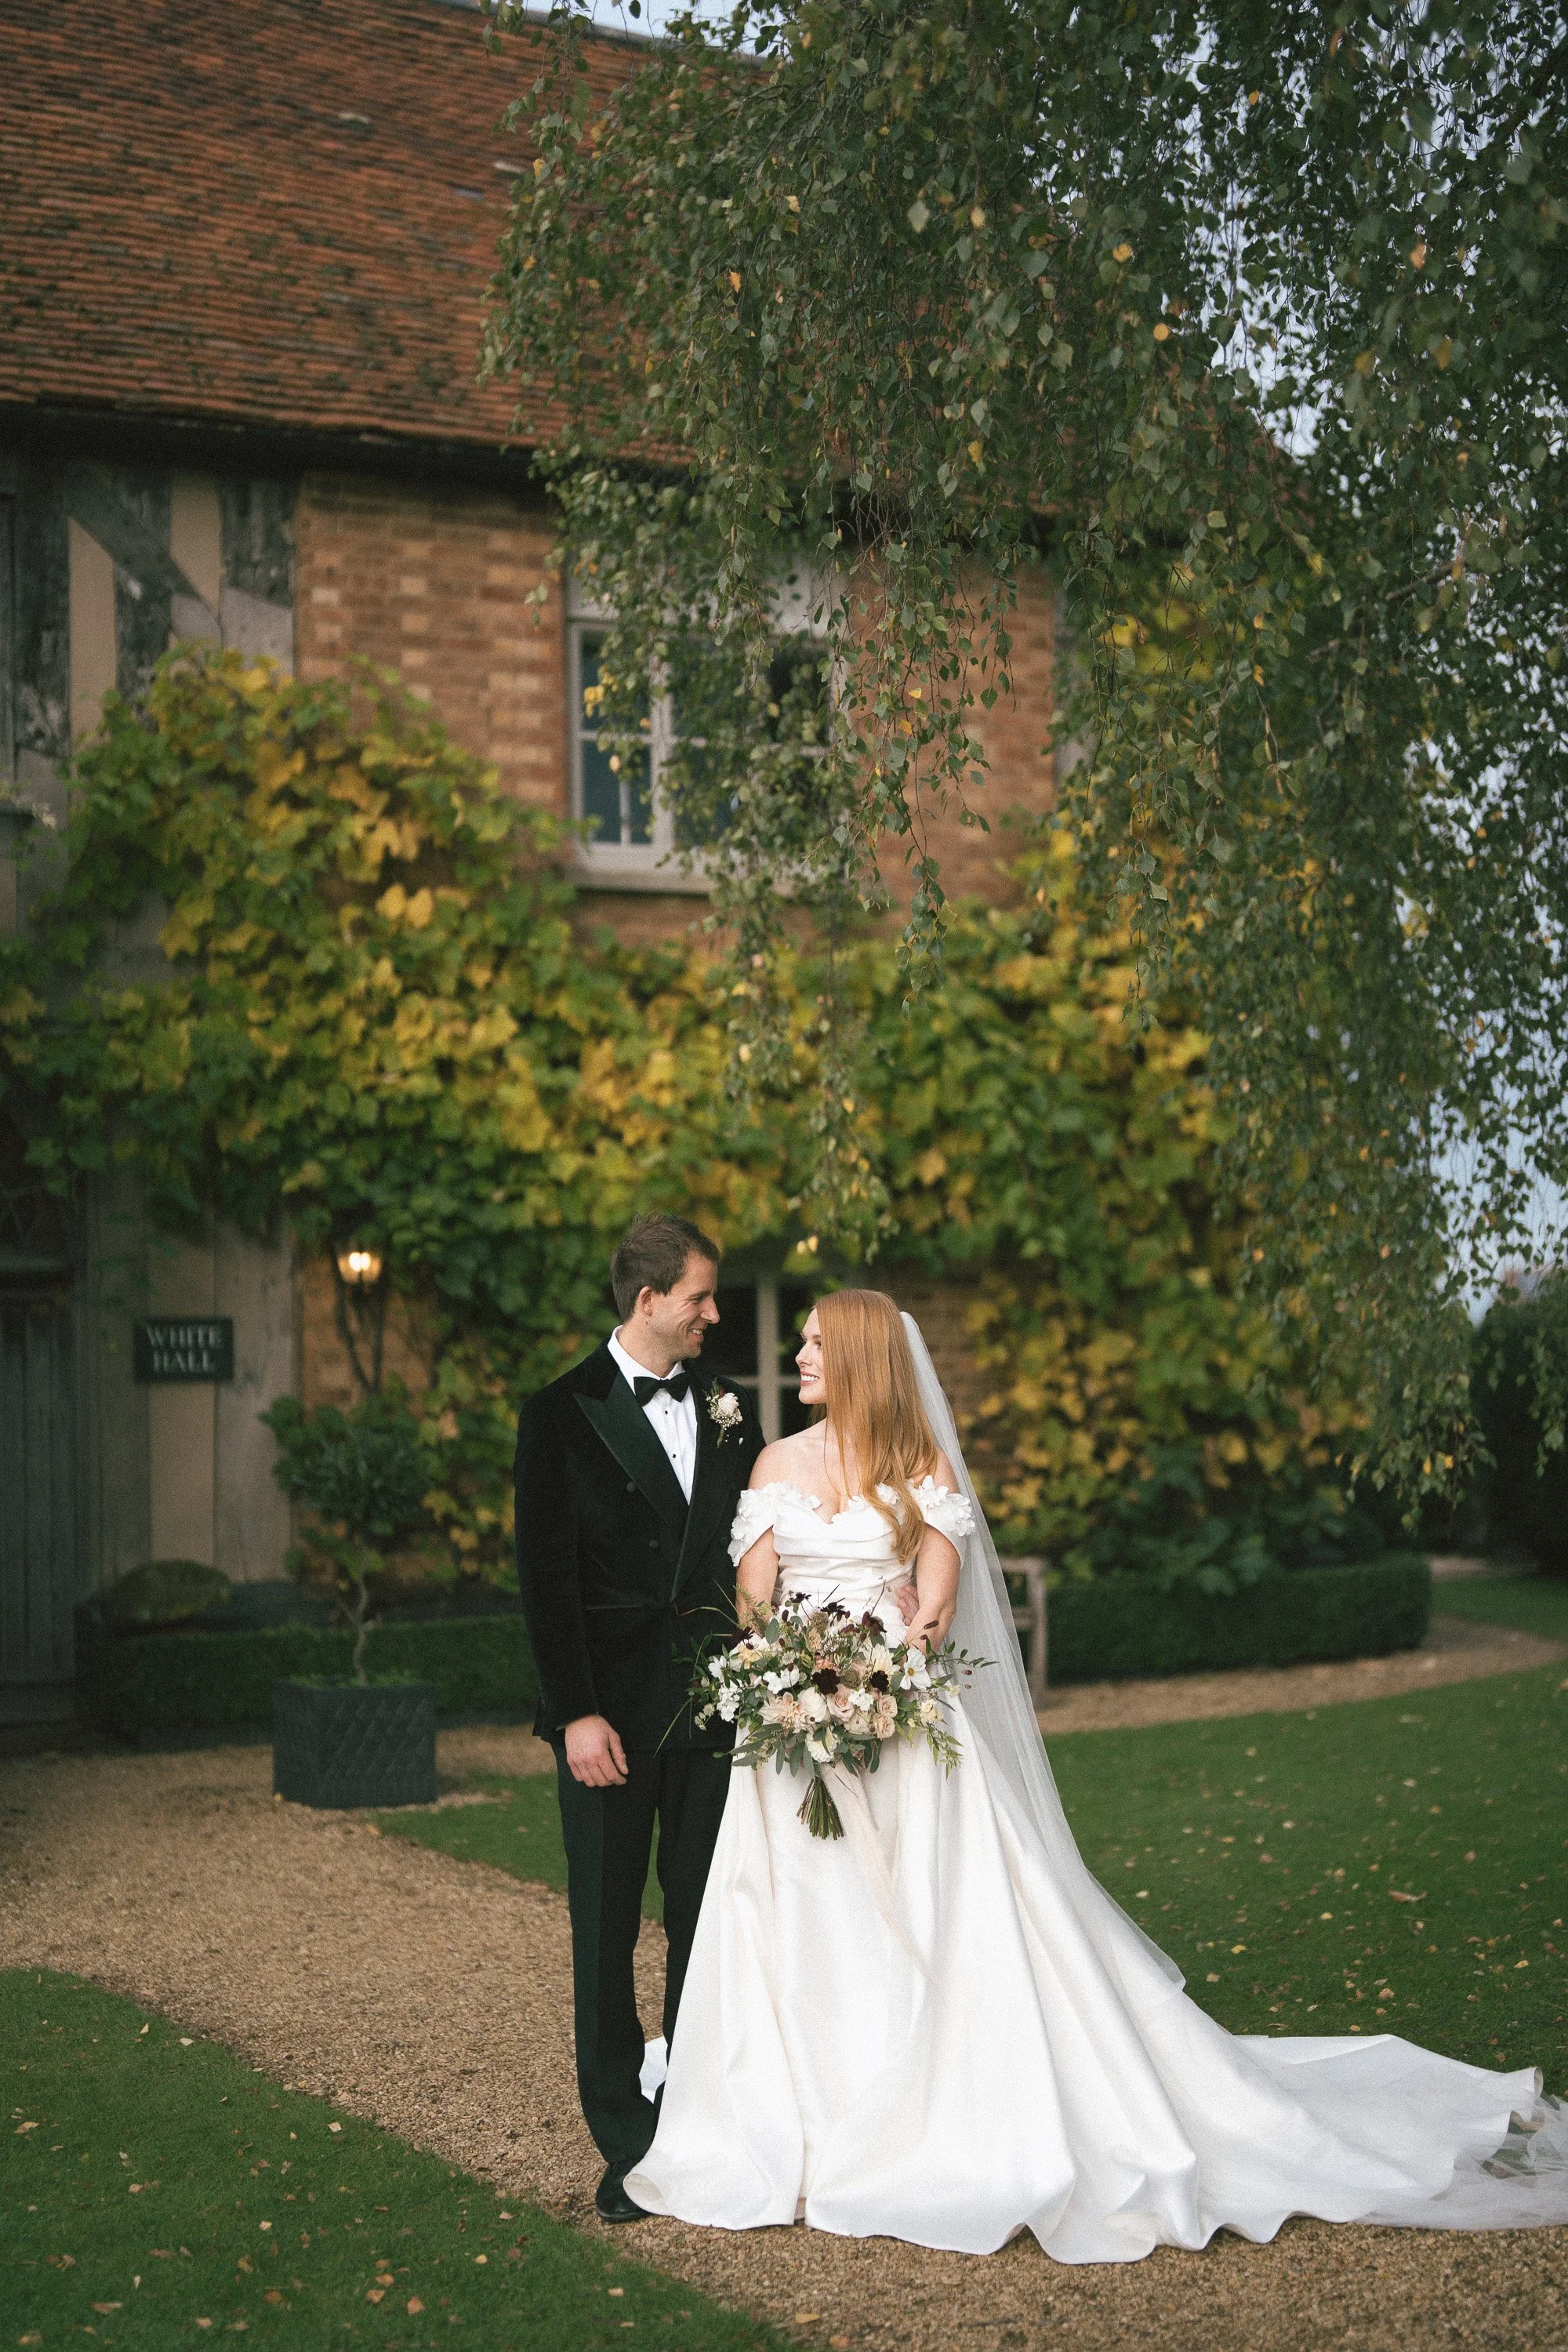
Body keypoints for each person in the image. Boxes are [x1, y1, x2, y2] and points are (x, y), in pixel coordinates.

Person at [626, 1288, 1568, 2259]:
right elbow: (752, 1597)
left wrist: (878, 1673)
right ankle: (800, 2117)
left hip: (902, 1727)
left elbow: (936, 1611)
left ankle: (927, 2109)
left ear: (861, 1355)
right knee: (792, 1920)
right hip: (791, 1736)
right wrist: (794, 1673)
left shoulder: (922, 1468)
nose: (799, 1355)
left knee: (934, 1917)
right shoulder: (777, 1461)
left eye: (816, 1343)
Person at [513, 1213, 766, 2224]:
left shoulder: (727, 1407)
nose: (715, 1313)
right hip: (608, 1718)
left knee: (708, 1923)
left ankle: (699, 2124)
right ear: (648, 1299)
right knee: (607, 1930)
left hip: (714, 1708)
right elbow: (544, 1577)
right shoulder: (559, 1412)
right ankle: (626, 2145)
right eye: (700, 1297)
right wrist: (575, 1712)